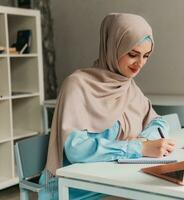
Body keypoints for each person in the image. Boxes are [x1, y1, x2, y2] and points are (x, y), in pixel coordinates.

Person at [39, 13, 176, 200]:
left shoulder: (127, 86)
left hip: (114, 179)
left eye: (146, 56)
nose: (140, 64)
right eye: (133, 54)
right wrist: (138, 148)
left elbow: (158, 122)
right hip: (75, 185)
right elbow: (76, 148)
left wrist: (145, 140)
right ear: (113, 47)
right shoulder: (77, 85)